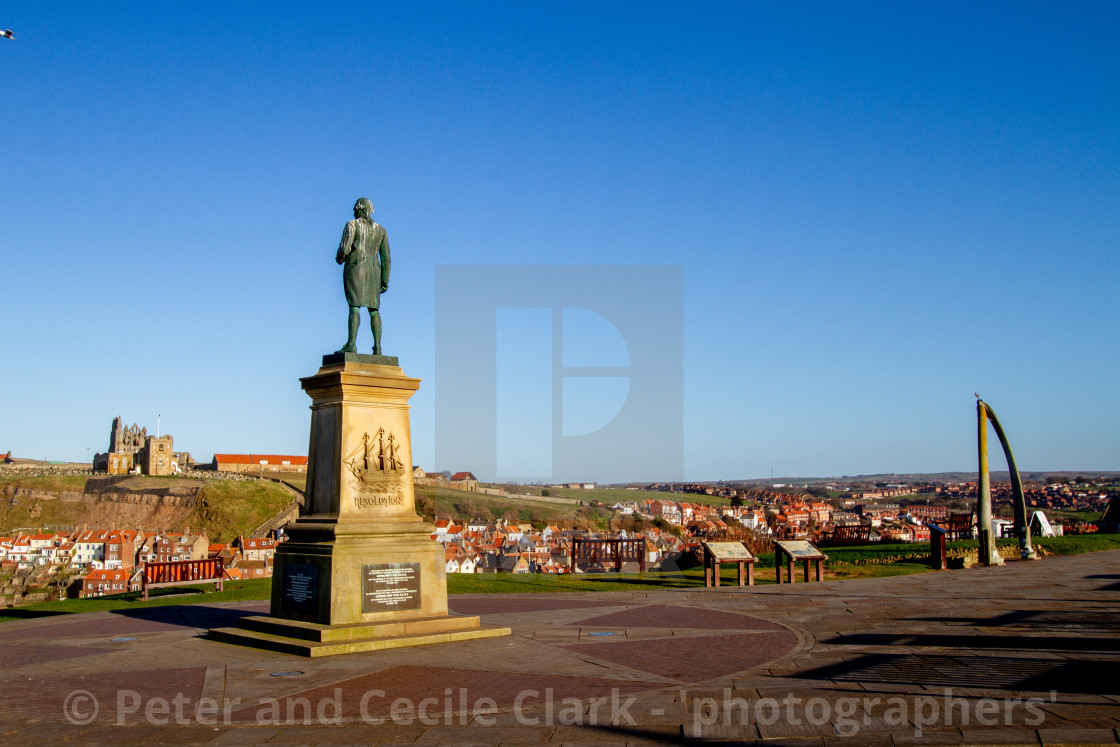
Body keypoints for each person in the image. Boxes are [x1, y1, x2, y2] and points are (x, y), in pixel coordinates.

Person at [335, 197, 390, 354]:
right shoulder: (381, 230)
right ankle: (377, 347)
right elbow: (386, 257)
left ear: (360, 209)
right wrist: (385, 279)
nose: (353, 211)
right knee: (374, 310)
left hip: (355, 269)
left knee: (354, 307)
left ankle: (352, 344)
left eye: (355, 208)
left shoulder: (352, 225)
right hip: (374, 272)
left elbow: (344, 248)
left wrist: (339, 258)